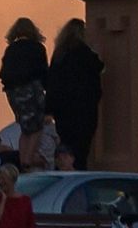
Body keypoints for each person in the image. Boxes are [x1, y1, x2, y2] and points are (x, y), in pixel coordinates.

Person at [46, 18, 103, 170]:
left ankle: (65, 171)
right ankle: (78, 173)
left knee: (66, 146)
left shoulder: (59, 55)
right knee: (81, 149)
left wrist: (49, 109)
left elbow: (52, 83)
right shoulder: (84, 53)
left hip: (63, 112)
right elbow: (98, 67)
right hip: (84, 110)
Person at [0, 17, 48, 171]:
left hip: (14, 94)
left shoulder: (11, 49)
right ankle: (28, 159)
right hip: (32, 92)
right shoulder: (37, 48)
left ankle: (22, 160)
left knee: (25, 128)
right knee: (37, 127)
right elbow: (44, 73)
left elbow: (3, 74)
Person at [0, 164, 35, 228]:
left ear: (12, 180)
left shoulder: (25, 200)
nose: (1, 181)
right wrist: (3, 199)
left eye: (3, 178)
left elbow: (30, 224)